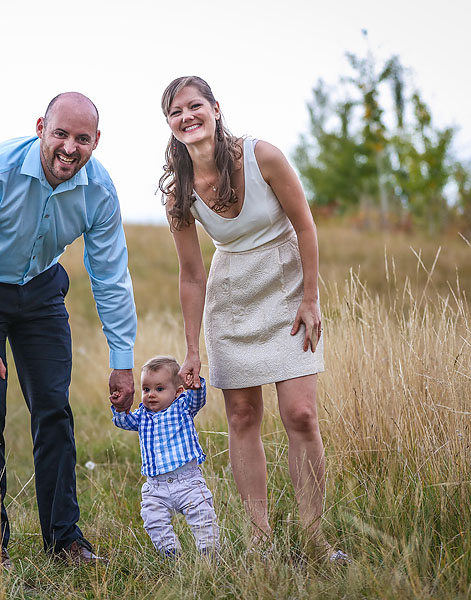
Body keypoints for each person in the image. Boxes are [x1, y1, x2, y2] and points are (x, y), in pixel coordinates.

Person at [0, 92, 137, 567]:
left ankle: (65, 541)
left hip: (42, 290)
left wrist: (123, 362)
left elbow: (111, 276)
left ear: (96, 142)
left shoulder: (100, 191)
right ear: (41, 127)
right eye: (61, 134)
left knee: (53, 410)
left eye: (82, 139)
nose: (70, 148)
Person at [158, 76, 349, 563]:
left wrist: (311, 297)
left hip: (287, 287)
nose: (187, 117)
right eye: (176, 112)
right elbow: (191, 273)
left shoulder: (263, 155)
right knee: (243, 417)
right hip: (232, 296)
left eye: (195, 105)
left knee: (300, 415)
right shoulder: (179, 192)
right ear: (170, 124)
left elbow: (305, 224)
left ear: (216, 108)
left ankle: (315, 540)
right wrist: (192, 348)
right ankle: (260, 540)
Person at [110, 356, 219, 557]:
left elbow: (198, 398)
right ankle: (170, 552)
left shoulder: (183, 407)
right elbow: (124, 422)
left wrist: (193, 384)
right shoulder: (142, 415)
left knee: (202, 517)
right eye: (146, 389)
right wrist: (119, 408)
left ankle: (208, 553)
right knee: (152, 518)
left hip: (188, 482)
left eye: (159, 389)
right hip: (156, 486)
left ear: (177, 392)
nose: (151, 395)